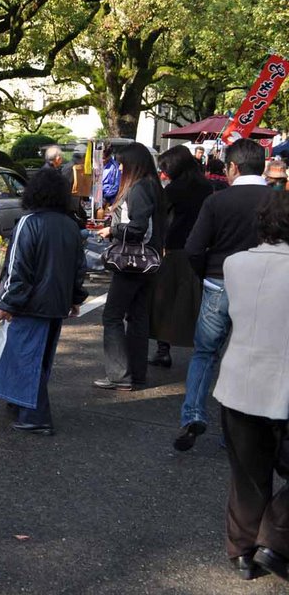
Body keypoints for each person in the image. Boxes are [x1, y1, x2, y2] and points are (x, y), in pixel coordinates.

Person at [175, 139, 273, 451]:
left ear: (232, 167)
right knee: (251, 356)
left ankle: (192, 414)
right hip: (264, 287)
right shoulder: (278, 200)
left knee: (205, 353)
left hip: (219, 280)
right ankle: (238, 431)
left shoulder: (217, 201)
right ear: (263, 166)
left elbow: (193, 247)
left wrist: (206, 273)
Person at [211, 192, 289, 581]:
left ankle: (242, 552)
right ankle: (274, 540)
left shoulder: (235, 263)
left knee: (247, 476)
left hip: (239, 381)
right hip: (283, 385)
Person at [0, 170, 88, 436]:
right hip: (57, 304)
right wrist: (75, 298)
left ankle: (36, 416)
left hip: (30, 305)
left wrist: (7, 303)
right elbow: (80, 268)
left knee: (24, 357)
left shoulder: (28, 223)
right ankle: (23, 404)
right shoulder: (69, 225)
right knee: (41, 359)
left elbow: (18, 269)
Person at [93, 143, 166, 391]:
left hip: (131, 263)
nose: (120, 167)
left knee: (112, 316)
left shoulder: (138, 188)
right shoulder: (153, 185)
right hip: (148, 263)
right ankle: (137, 374)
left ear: (134, 164)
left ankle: (119, 375)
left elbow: (137, 228)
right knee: (138, 317)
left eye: (122, 163)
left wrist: (111, 230)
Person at [147, 146, 213, 368]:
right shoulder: (206, 186)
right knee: (196, 302)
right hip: (201, 248)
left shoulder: (173, 189)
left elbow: (160, 217)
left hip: (173, 248)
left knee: (164, 300)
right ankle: (203, 349)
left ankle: (163, 349)